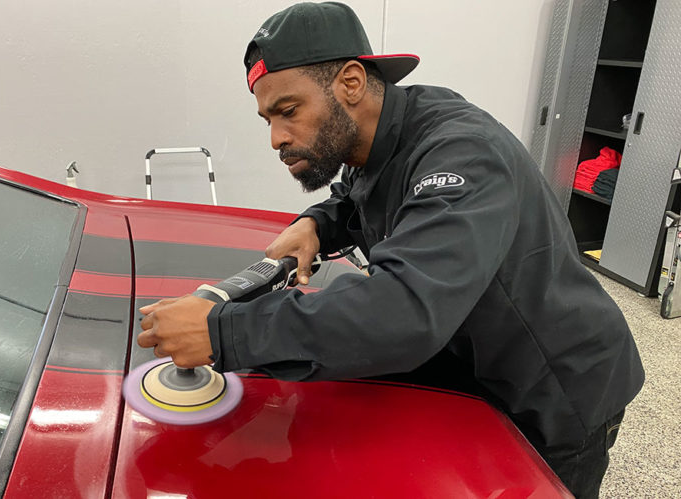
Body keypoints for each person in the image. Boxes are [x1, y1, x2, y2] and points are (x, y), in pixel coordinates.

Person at [137, 3, 644, 497]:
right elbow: (361, 194)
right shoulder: (377, 134)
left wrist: (223, 333)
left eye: (288, 111)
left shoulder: (463, 153)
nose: (275, 138)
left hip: (554, 389)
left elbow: (405, 312)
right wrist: (318, 223)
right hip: (472, 359)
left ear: (351, 83)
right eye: (267, 118)